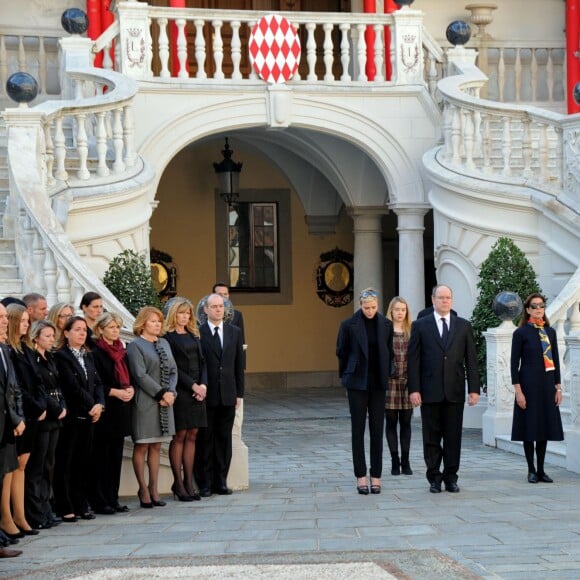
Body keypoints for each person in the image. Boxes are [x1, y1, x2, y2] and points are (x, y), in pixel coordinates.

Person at [408, 284, 480, 494]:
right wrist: (414, 389)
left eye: (448, 297)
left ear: (452, 300)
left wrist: (474, 388)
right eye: (441, 298)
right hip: (429, 391)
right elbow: (414, 361)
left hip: (455, 390)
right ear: (433, 300)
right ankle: (434, 477)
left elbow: (471, 361)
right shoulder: (420, 325)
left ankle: (451, 477)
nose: (445, 301)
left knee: (453, 437)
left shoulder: (464, 326)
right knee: (431, 437)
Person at [336, 288, 394, 495]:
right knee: (358, 430)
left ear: (378, 305)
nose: (370, 311)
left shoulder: (386, 325)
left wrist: (388, 372)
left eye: (373, 307)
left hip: (378, 383)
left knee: (378, 430)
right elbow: (341, 351)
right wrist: (346, 376)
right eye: (366, 307)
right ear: (360, 305)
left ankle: (376, 476)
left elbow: (390, 352)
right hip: (357, 383)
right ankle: (361, 476)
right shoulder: (348, 325)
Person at [53, 316, 105, 522]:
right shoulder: (61, 357)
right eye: (77, 329)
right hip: (72, 417)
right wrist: (92, 404)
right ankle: (65, 506)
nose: (82, 333)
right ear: (66, 333)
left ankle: (81, 503)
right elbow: (71, 387)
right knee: (66, 463)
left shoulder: (88, 356)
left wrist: (100, 404)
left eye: (84, 330)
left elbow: (98, 383)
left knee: (83, 463)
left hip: (89, 417)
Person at [126, 307, 177, 509]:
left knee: (157, 446)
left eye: (159, 321)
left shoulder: (164, 343)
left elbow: (173, 371)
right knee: (143, 445)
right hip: (146, 402)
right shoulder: (135, 346)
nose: (157, 324)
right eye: (153, 321)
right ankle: (143, 489)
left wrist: (171, 393)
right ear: (143, 323)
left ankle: (154, 488)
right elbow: (139, 375)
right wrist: (160, 393)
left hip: (166, 402)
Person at [510, 293, 564, 483]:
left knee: (544, 428)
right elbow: (513, 364)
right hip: (528, 386)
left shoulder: (550, 332)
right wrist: (518, 392)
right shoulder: (521, 333)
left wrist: (558, 388)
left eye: (541, 305)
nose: (539, 309)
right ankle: (531, 470)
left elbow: (555, 360)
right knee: (529, 428)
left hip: (547, 386)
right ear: (528, 310)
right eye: (535, 306)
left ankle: (541, 469)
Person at [195, 293, 244, 497]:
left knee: (224, 440)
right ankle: (204, 483)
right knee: (205, 440)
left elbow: (239, 365)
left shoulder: (234, 332)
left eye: (220, 306)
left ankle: (221, 481)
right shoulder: (198, 332)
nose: (217, 309)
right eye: (213, 306)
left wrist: (239, 393)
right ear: (205, 310)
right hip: (206, 395)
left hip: (228, 393)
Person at [4, 304, 45, 537]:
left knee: (23, 467)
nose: (26, 325)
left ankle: (20, 516)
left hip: (33, 414)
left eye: (28, 321)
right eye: (22, 321)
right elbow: (16, 387)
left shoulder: (26, 348)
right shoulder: (8, 349)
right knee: (13, 467)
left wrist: (40, 406)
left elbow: (37, 380)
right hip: (20, 415)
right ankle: (10, 517)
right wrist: (32, 408)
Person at [164, 298, 207, 502]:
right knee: (180, 435)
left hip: (198, 391)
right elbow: (174, 368)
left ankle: (189, 482)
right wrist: (193, 386)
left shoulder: (194, 334)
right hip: (181, 391)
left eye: (188, 313)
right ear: (174, 314)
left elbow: (203, 362)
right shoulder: (168, 338)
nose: (185, 316)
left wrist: (203, 386)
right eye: (181, 313)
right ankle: (178, 483)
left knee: (193, 434)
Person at [91, 312, 134, 514]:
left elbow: (129, 377)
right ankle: (101, 501)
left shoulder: (122, 351)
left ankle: (113, 498)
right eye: (111, 327)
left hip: (120, 410)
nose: (115, 331)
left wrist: (130, 389)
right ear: (100, 330)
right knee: (102, 457)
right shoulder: (95, 352)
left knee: (116, 456)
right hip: (105, 409)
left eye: (117, 327)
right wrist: (115, 391)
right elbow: (95, 382)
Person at [27, 320, 66, 530]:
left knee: (49, 464)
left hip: (56, 417)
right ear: (36, 337)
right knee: (37, 466)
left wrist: (63, 406)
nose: (52, 339)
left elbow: (58, 386)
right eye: (48, 336)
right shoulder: (33, 360)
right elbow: (40, 389)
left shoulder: (50, 358)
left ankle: (46, 508)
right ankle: (36, 512)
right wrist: (56, 408)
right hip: (43, 416)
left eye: (53, 335)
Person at [0, 303, 25, 558]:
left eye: (6, 317)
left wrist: (17, 418)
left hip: (8, 426)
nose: (5, 321)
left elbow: (13, 388)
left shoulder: (4, 349)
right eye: (0, 318)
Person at [385, 296, 413, 476]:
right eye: (397, 310)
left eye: (403, 310)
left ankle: (406, 460)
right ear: (391, 312)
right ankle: (394, 460)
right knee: (391, 422)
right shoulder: (385, 331)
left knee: (406, 422)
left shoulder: (412, 331)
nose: (400, 313)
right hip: (390, 383)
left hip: (407, 383)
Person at [213, 282, 247, 368]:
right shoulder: (205, 314)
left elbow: (241, 343)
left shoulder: (237, 315)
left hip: (231, 364)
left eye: (225, 294)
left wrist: (241, 365)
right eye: (220, 294)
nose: (223, 296)